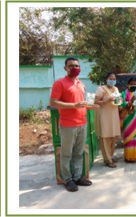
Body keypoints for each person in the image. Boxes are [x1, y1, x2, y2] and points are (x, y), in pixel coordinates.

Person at [49, 57, 99, 192]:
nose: (74, 68)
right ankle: (67, 179)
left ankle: (77, 177)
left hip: (82, 123)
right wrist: (74, 105)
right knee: (66, 154)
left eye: (77, 65)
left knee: (78, 153)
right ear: (65, 68)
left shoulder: (81, 84)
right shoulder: (60, 83)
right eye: (71, 66)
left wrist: (89, 107)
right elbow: (53, 102)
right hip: (68, 125)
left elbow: (80, 104)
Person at [94, 73, 121, 168]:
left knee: (113, 136)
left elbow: (117, 101)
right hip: (104, 115)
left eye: (114, 79)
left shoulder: (115, 89)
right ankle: (107, 159)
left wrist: (119, 100)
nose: (112, 80)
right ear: (106, 79)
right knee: (105, 136)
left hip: (113, 115)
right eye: (110, 78)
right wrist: (107, 100)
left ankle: (111, 155)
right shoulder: (101, 89)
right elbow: (96, 102)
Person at [119, 78, 136, 162]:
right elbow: (120, 105)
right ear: (128, 85)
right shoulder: (124, 93)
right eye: (131, 84)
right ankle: (129, 156)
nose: (133, 85)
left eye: (135, 84)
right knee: (129, 136)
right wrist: (130, 101)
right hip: (128, 117)